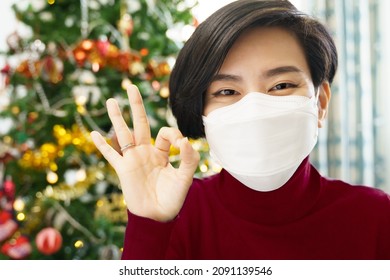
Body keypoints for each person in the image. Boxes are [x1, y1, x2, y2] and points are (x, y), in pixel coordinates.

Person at [90, 0, 390, 259]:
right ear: (202, 112)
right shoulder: (177, 211)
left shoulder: (375, 215)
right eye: (227, 92)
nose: (255, 108)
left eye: (281, 85)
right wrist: (149, 225)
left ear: (320, 102)